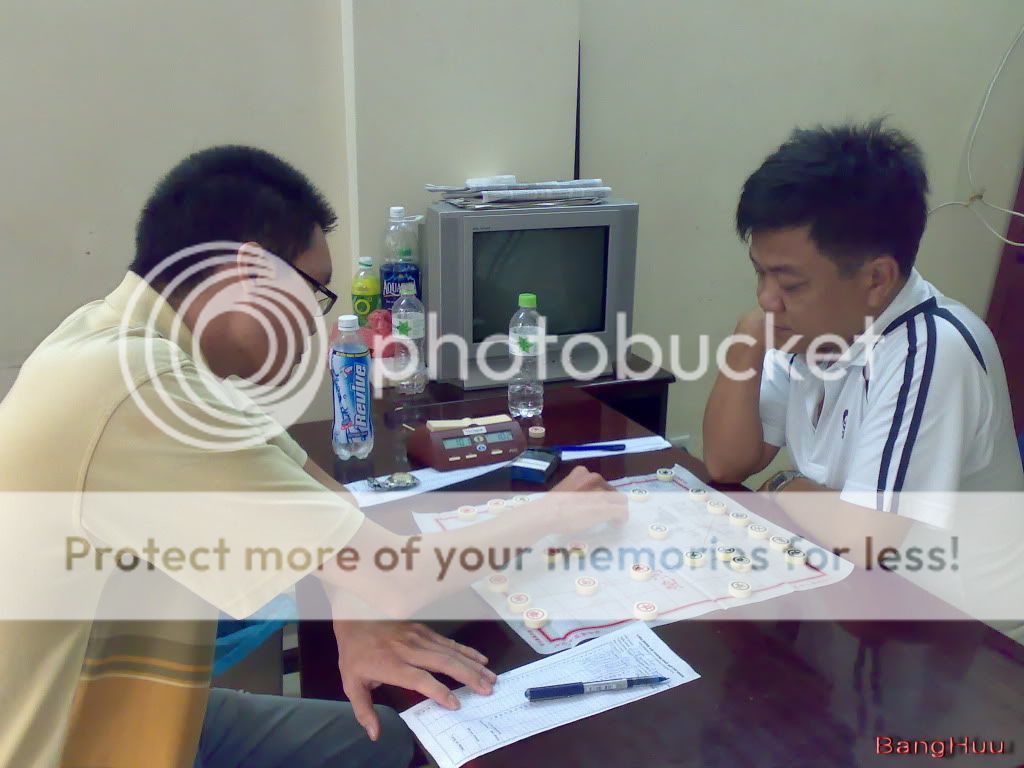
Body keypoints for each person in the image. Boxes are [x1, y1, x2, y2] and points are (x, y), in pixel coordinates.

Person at [0, 146, 625, 767]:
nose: (317, 324)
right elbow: (396, 574)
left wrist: (354, 616)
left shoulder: (125, 343)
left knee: (396, 740)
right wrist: (553, 513)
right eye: (316, 291)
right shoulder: (141, 386)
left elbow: (326, 499)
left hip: (138, 708)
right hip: (70, 744)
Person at [702, 120, 1023, 631]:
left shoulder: (932, 349)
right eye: (759, 273)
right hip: (870, 596)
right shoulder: (809, 326)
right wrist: (747, 337)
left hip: (971, 635)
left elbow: (865, 539)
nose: (766, 299)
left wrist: (784, 483)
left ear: (876, 279)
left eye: (788, 283)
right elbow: (727, 461)